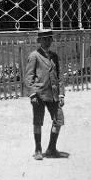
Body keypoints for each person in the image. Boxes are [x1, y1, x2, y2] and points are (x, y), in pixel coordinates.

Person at [24, 28, 65, 160]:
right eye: (44, 39)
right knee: (38, 121)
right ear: (39, 41)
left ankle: (51, 148)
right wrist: (32, 94)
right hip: (39, 95)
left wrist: (61, 94)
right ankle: (38, 149)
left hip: (53, 95)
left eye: (49, 39)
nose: (47, 41)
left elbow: (59, 76)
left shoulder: (54, 56)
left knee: (58, 120)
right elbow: (28, 77)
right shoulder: (34, 56)